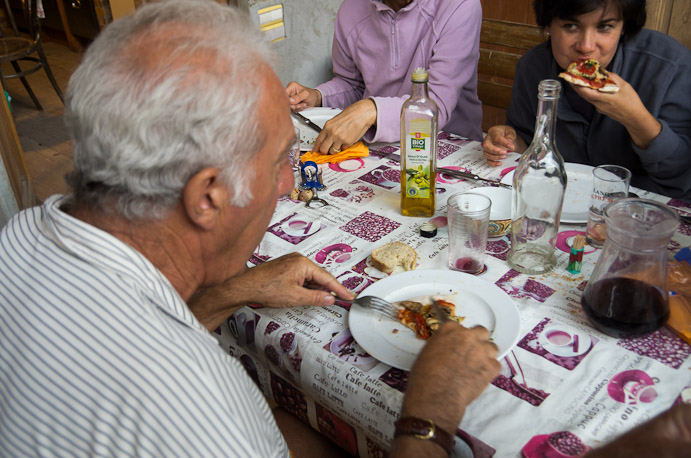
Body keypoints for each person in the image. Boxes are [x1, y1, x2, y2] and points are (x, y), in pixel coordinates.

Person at [0, 0, 500, 456]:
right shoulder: (205, 418)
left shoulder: (20, 234)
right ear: (208, 197)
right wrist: (429, 416)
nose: (289, 183)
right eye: (282, 158)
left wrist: (227, 294)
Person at [482, 0, 691, 199]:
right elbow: (529, 146)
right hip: (557, 204)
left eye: (605, 27)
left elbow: (681, 180)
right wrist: (508, 141)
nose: (586, 46)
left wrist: (635, 117)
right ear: (547, 25)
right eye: (571, 26)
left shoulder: (670, 67)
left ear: (624, 26)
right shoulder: (533, 68)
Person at [285, 0, 483, 154]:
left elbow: (434, 107)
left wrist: (370, 110)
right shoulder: (351, 9)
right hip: (378, 150)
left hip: (448, 149)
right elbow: (353, 84)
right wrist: (318, 96)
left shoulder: (459, 6)